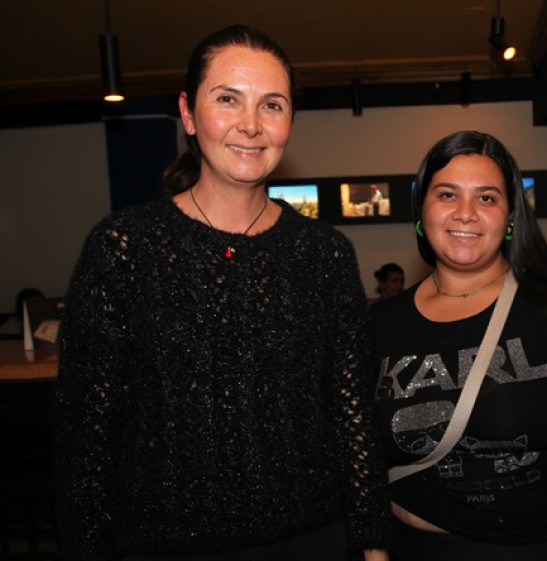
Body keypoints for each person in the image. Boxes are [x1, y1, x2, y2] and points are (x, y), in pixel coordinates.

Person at [55, 25, 389, 561]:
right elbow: (86, 437)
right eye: (228, 99)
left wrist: (373, 543)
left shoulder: (325, 254)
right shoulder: (124, 247)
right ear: (188, 113)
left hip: (314, 538)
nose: (251, 126)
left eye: (272, 105)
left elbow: (352, 417)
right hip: (161, 545)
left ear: (290, 122)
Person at [371, 130, 547, 560]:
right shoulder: (376, 326)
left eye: (486, 198)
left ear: (512, 215)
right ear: (421, 211)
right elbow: (361, 465)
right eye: (447, 195)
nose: (466, 214)